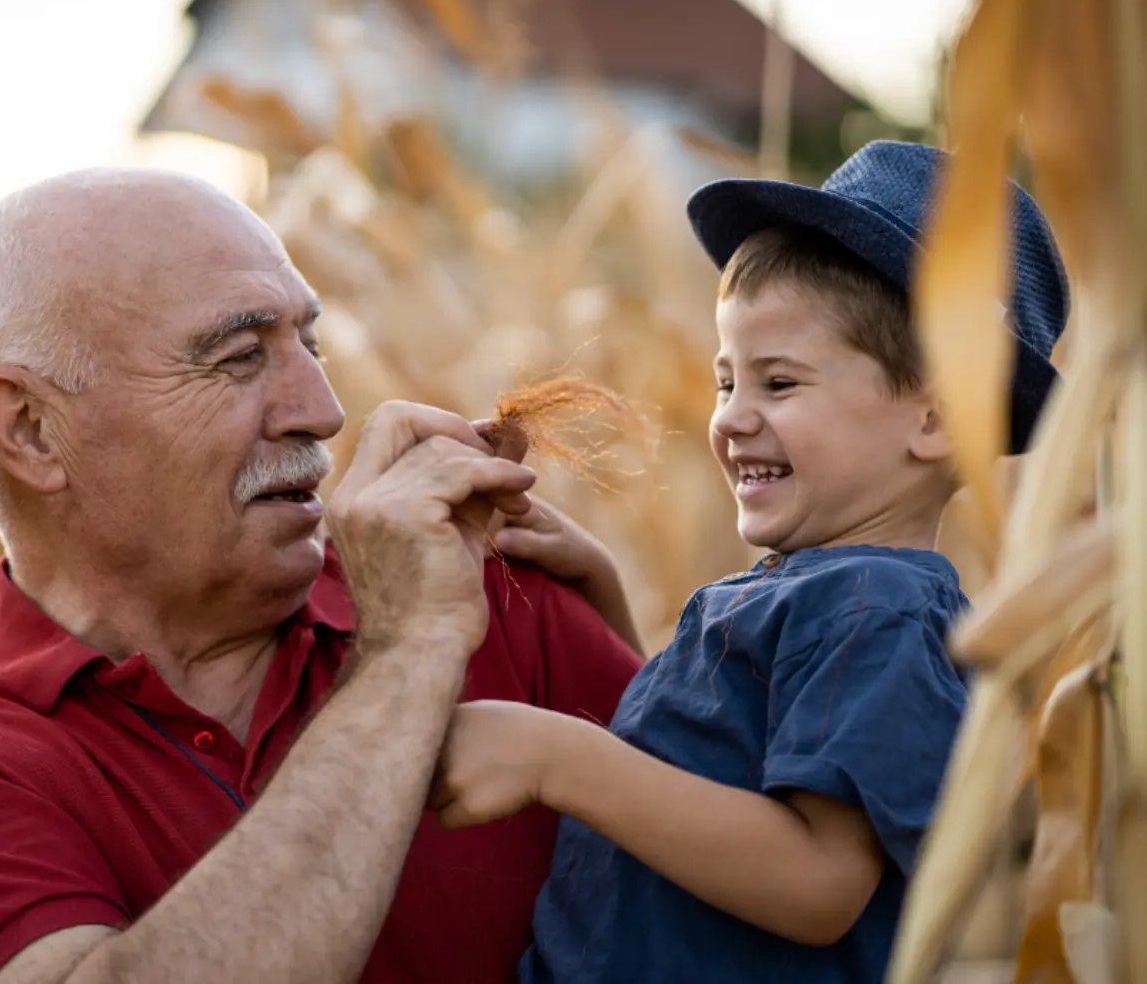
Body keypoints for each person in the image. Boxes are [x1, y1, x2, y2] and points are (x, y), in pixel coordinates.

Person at [0, 167, 646, 984]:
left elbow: (753, 891)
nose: (321, 409)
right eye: (239, 357)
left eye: (308, 343)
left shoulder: (495, 595)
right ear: (30, 430)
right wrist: (406, 653)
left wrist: (629, 643)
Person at [428, 140, 1071, 983]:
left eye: (780, 383)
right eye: (729, 382)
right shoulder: (823, 591)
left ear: (938, 420)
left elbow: (819, 881)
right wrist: (605, 591)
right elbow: (709, 758)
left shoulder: (876, 612)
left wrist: (558, 759)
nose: (730, 418)